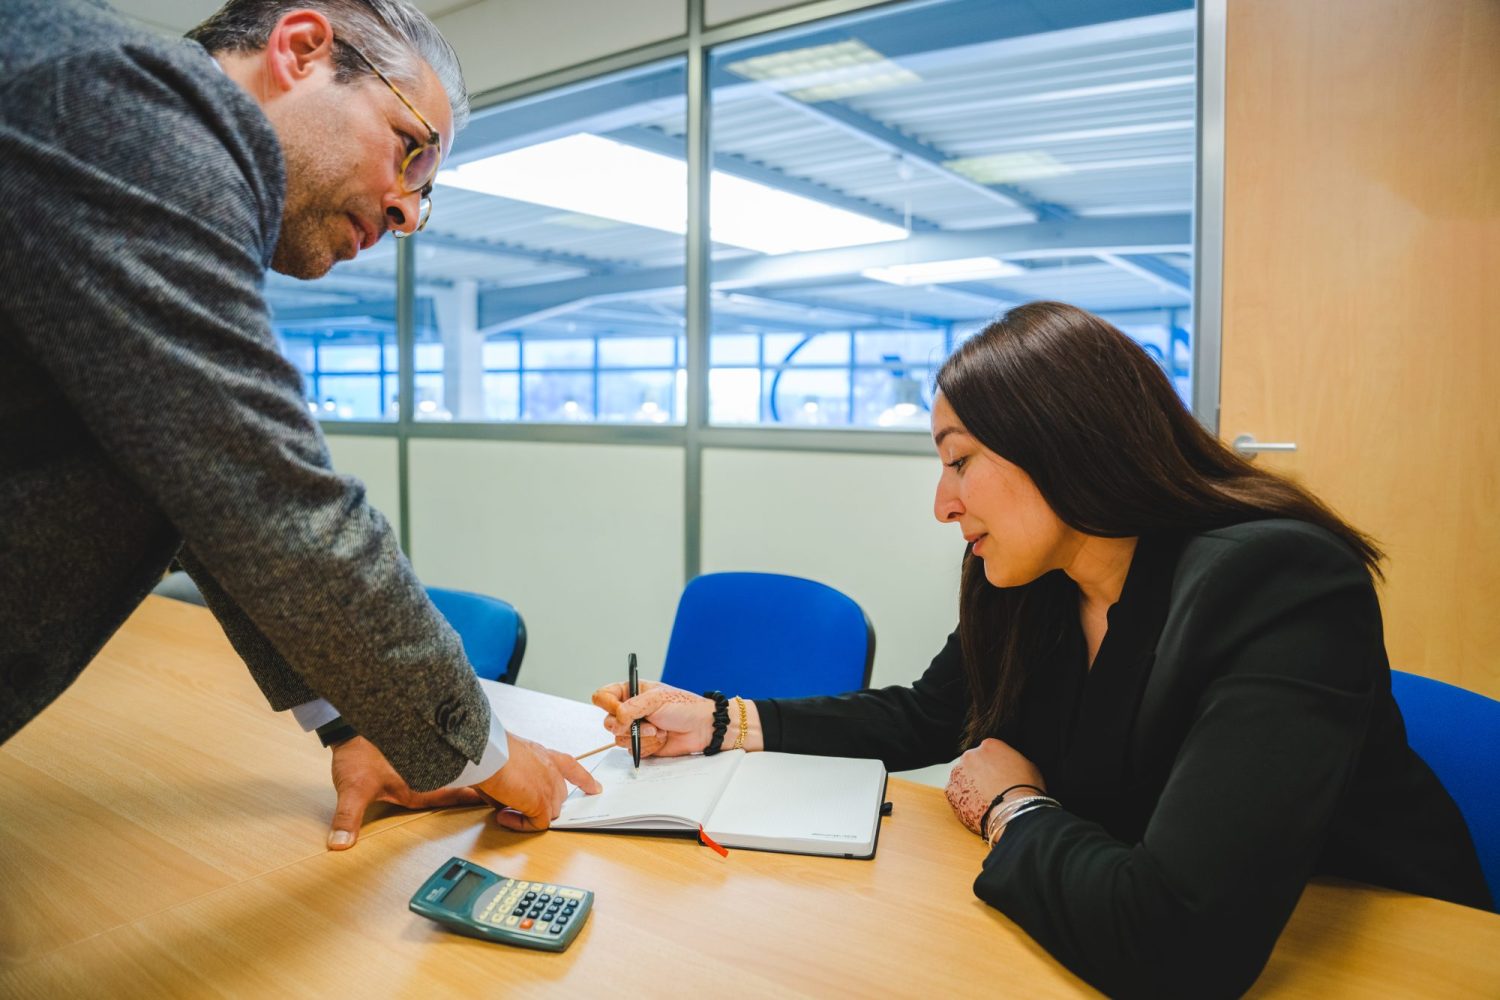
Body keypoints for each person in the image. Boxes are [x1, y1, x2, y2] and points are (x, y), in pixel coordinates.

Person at [594, 302, 1491, 998]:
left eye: (959, 460)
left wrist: (1011, 806)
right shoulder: (1033, 582)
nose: (942, 505)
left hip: (1384, 949)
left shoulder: (1277, 582)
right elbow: (931, 713)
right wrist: (720, 722)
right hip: (1120, 936)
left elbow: (1179, 939)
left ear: (1061, 440)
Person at [0, 0, 599, 850]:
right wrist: (483, 753)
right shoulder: (127, 110)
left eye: (423, 198)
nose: (403, 212)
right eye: (410, 147)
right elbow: (272, 501)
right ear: (303, 48)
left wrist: (349, 726)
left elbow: (198, 486)